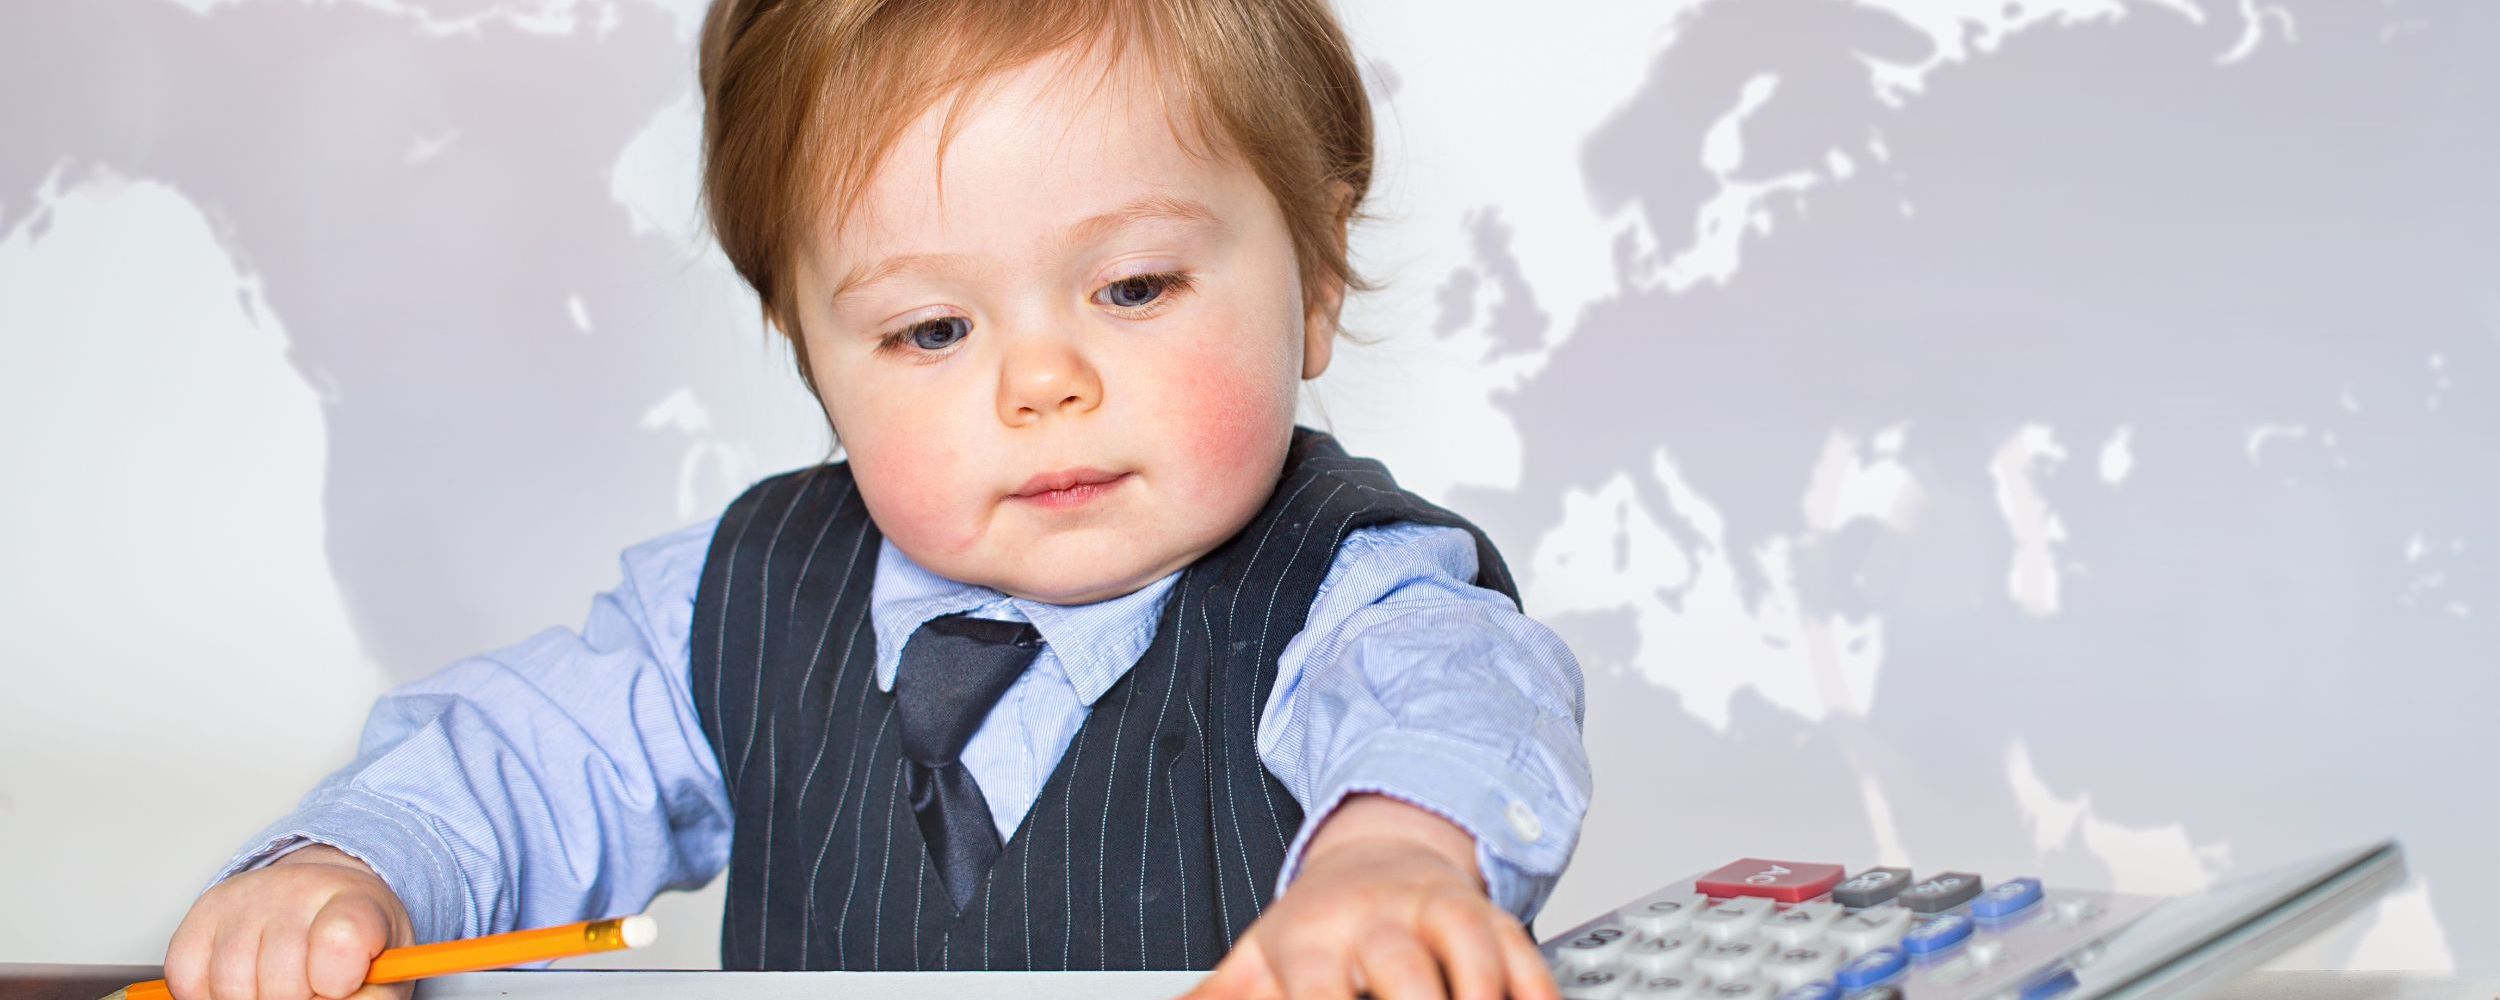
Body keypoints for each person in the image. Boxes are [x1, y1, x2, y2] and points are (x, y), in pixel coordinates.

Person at [159, 1, 1590, 997]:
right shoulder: (740, 602)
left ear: (1318, 280)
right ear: (812, 355)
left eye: (1134, 286)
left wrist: (1392, 863)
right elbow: (514, 769)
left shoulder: (1356, 597)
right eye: (931, 331)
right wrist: (344, 870)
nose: (1042, 383)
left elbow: (1458, 711)